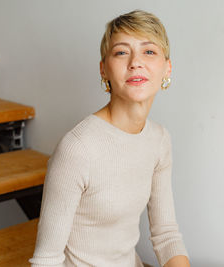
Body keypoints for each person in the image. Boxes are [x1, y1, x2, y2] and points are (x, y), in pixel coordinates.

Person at [29, 9, 190, 267]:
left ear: (167, 68)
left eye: (149, 51)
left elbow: (166, 234)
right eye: (121, 52)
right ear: (104, 69)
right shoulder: (78, 148)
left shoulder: (159, 140)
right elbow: (46, 260)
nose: (135, 61)